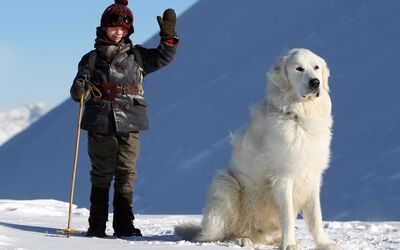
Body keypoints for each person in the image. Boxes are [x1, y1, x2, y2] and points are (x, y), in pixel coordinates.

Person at [69, 0, 178, 238]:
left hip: (130, 121)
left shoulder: (137, 56)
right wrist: (79, 89)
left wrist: (168, 38)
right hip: (100, 122)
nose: (118, 31)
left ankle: (124, 224)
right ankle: (96, 224)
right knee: (102, 172)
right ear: (104, 28)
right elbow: (80, 83)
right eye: (113, 27)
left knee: (126, 172)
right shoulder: (91, 59)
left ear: (129, 31)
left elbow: (162, 58)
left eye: (123, 28)